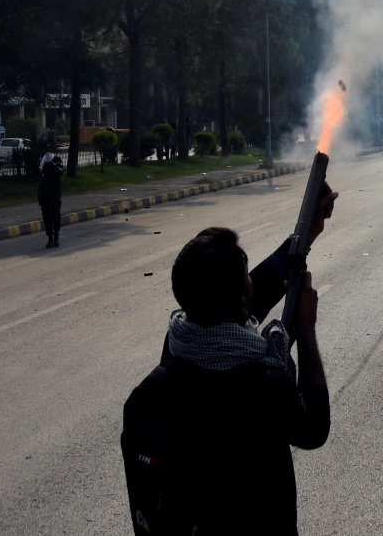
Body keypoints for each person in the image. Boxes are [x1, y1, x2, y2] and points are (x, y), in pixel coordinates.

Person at [122, 186, 338, 535]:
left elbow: (239, 296)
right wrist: (307, 332)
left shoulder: (174, 354)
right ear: (242, 303)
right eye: (245, 281)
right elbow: (313, 430)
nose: (252, 286)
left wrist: (303, 236)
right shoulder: (264, 384)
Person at [38, 151, 63, 248]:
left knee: (56, 213)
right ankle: (50, 237)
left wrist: (54, 166)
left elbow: (61, 171)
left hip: (55, 191)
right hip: (45, 192)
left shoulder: (57, 159)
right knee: (46, 214)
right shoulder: (42, 160)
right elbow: (38, 174)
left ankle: (56, 235)